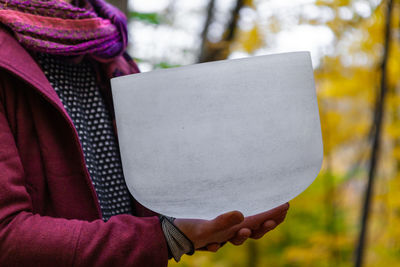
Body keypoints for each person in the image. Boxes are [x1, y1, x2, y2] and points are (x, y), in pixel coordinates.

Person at [0, 0, 289, 266]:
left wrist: (210, 211)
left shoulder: (109, 48)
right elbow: (7, 235)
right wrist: (167, 238)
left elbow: (145, 195)